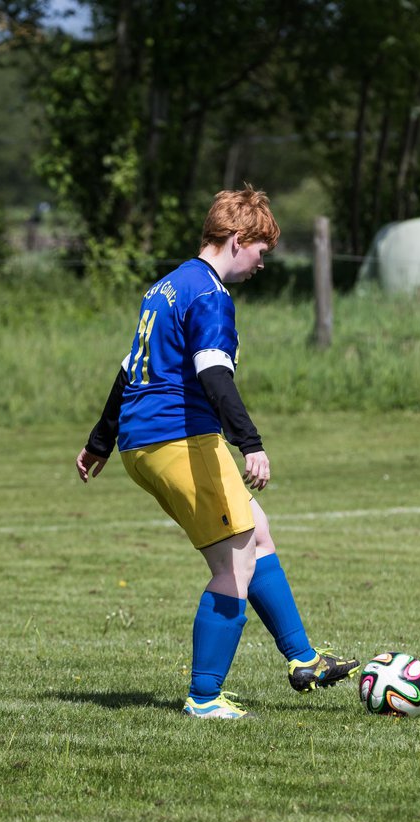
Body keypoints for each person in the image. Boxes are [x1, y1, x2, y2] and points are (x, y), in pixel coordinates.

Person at [75, 185, 359, 719]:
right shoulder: (210, 295)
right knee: (235, 561)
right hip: (177, 439)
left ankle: (303, 659)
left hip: (146, 441)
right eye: (260, 250)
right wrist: (249, 442)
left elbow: (127, 368)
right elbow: (212, 372)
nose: (261, 263)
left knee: (258, 531)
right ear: (236, 238)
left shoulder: (166, 287)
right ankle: (204, 697)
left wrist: (99, 442)